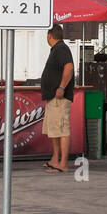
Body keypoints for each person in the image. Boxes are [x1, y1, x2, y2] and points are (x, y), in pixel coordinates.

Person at [40, 24, 75, 173]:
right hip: (53, 97)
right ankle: (55, 159)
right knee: (54, 129)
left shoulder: (61, 48)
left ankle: (63, 164)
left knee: (61, 129)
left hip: (60, 97)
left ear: (49, 35)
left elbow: (69, 67)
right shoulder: (57, 49)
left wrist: (61, 87)